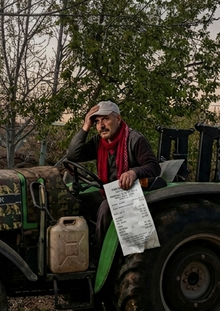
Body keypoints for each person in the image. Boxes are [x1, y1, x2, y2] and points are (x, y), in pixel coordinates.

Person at [65, 101, 160, 260]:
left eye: (105, 119)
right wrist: (86, 125)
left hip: (130, 192)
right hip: (107, 192)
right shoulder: (98, 142)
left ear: (118, 119)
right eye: (97, 122)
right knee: (74, 200)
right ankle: (77, 250)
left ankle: (99, 257)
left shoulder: (134, 139)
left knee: (105, 208)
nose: (101, 125)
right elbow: (74, 155)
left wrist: (134, 172)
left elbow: (154, 167)